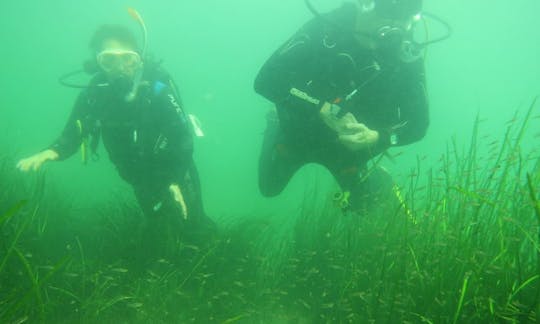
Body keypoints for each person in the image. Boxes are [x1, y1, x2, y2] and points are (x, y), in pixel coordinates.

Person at [17, 23, 215, 241]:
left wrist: (174, 179)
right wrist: (51, 152)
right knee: (156, 220)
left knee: (195, 226)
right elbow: (73, 133)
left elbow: (183, 141)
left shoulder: (157, 90)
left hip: (175, 168)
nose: (120, 68)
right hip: (137, 176)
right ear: (98, 62)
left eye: (127, 59)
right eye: (109, 60)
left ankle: (209, 250)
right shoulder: (94, 95)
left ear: (139, 59)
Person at [254, 0, 431, 212]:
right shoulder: (324, 29)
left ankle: (376, 177)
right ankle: (273, 122)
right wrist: (320, 108)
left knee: (363, 209)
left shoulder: (406, 54)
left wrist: (378, 137)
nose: (397, 23)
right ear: (363, 4)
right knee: (269, 188)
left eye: (408, 12)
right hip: (298, 135)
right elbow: (265, 80)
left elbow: (419, 125)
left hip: (348, 152)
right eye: (388, 8)